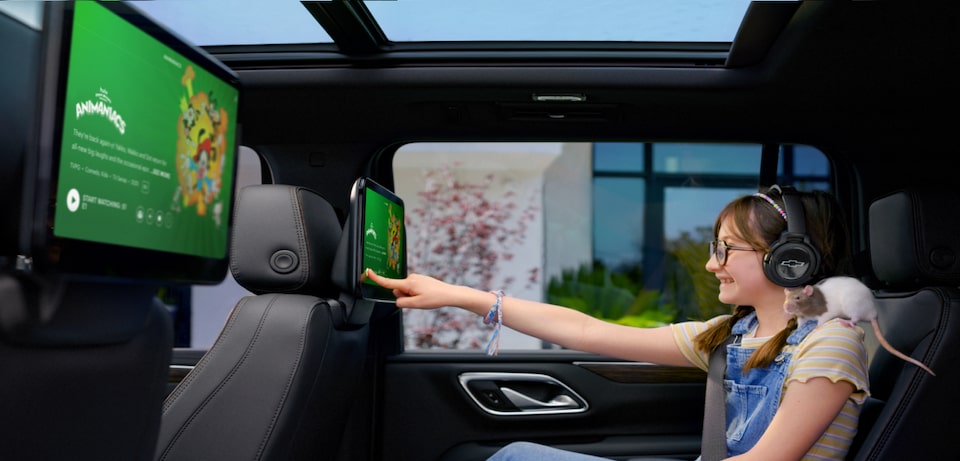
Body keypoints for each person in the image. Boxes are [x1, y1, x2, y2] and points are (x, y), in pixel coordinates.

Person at [365, 185, 870, 461]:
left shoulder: (830, 345)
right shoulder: (729, 336)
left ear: (790, 260)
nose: (712, 263)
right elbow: (586, 331)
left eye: (726, 249)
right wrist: (458, 296)